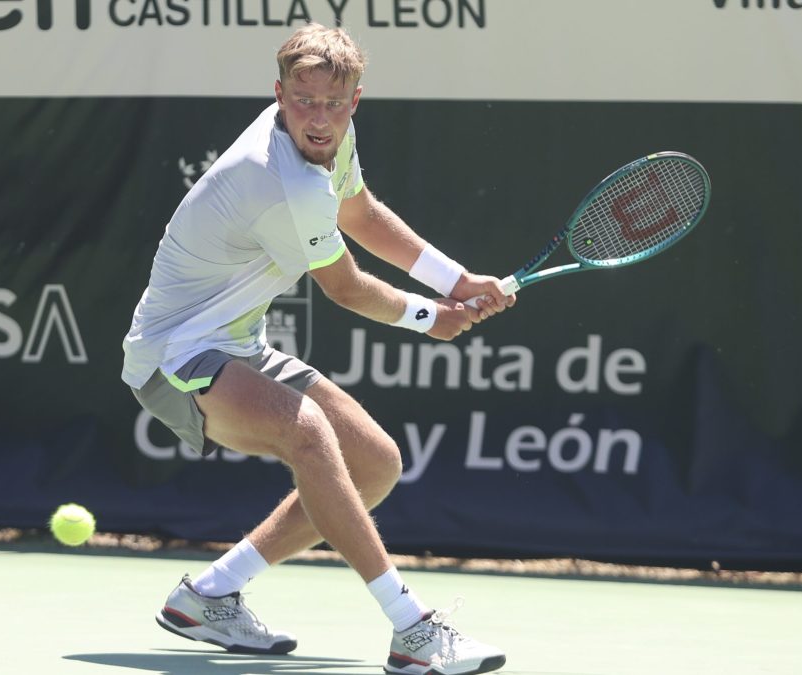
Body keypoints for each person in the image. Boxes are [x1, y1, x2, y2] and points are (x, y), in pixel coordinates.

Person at [121, 23, 515, 675]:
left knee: (374, 464)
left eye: (335, 103)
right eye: (304, 100)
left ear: (354, 100)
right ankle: (412, 628)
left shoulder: (328, 140)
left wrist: (455, 280)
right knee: (309, 435)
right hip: (173, 356)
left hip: (235, 343)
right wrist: (431, 317)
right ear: (279, 94)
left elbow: (359, 212)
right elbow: (345, 287)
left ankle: (207, 595)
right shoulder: (281, 180)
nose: (319, 117)